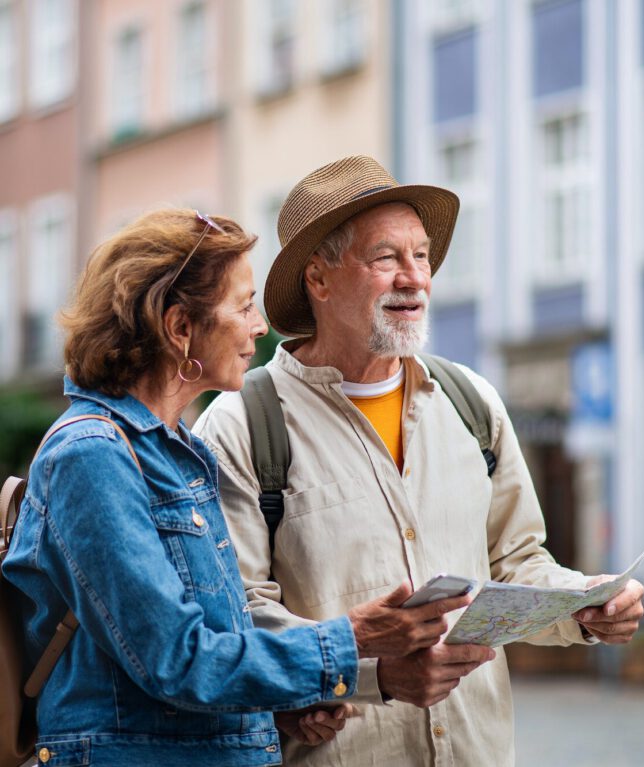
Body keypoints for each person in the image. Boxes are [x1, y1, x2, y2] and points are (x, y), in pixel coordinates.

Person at [193, 156, 644, 766]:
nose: (415, 279)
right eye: (386, 258)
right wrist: (371, 672)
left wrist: (584, 602)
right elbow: (237, 618)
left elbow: (515, 564)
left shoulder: (472, 404)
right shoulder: (243, 426)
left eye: (423, 256)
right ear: (318, 280)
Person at [1, 208, 482, 767]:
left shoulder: (181, 452)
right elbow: (176, 661)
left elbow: (213, 658)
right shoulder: (92, 457)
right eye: (244, 304)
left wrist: (280, 709)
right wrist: (353, 639)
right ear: (181, 329)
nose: (260, 326)